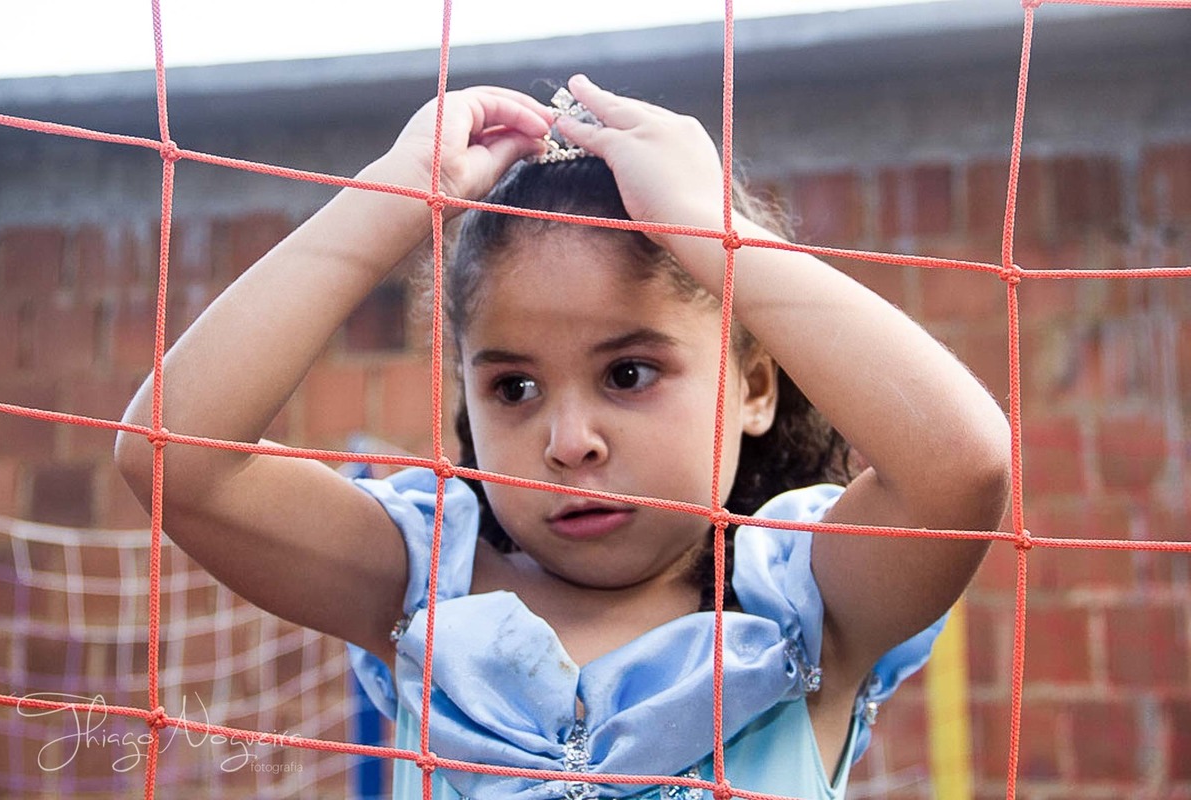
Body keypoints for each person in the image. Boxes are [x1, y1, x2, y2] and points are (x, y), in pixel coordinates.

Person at [115, 74, 1009, 799]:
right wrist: (389, 199)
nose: (569, 439)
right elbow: (172, 454)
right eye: (514, 387)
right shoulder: (424, 585)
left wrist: (717, 235)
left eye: (628, 373)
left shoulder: (809, 607)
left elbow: (962, 469)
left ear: (754, 389)